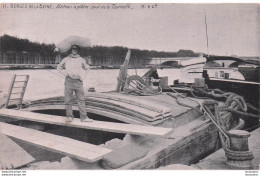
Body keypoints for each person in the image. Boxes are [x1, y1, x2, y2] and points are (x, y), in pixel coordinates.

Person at [57, 45, 93, 123]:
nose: (74, 51)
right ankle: (69, 117)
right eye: (73, 49)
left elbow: (87, 68)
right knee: (68, 100)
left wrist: (82, 77)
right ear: (71, 50)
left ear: (78, 51)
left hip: (78, 82)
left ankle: (84, 117)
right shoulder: (66, 59)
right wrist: (65, 74)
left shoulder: (81, 60)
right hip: (68, 81)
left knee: (81, 100)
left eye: (75, 49)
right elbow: (59, 67)